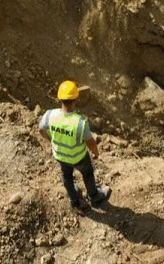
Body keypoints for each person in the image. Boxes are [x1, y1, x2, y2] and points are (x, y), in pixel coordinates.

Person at [38, 80, 111, 211]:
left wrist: (51, 139)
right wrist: (95, 153)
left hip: (60, 156)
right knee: (87, 173)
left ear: (59, 98)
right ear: (75, 100)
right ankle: (94, 196)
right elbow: (90, 142)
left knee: (66, 176)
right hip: (79, 157)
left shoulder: (49, 115)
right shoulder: (80, 122)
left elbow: (41, 130)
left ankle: (74, 201)